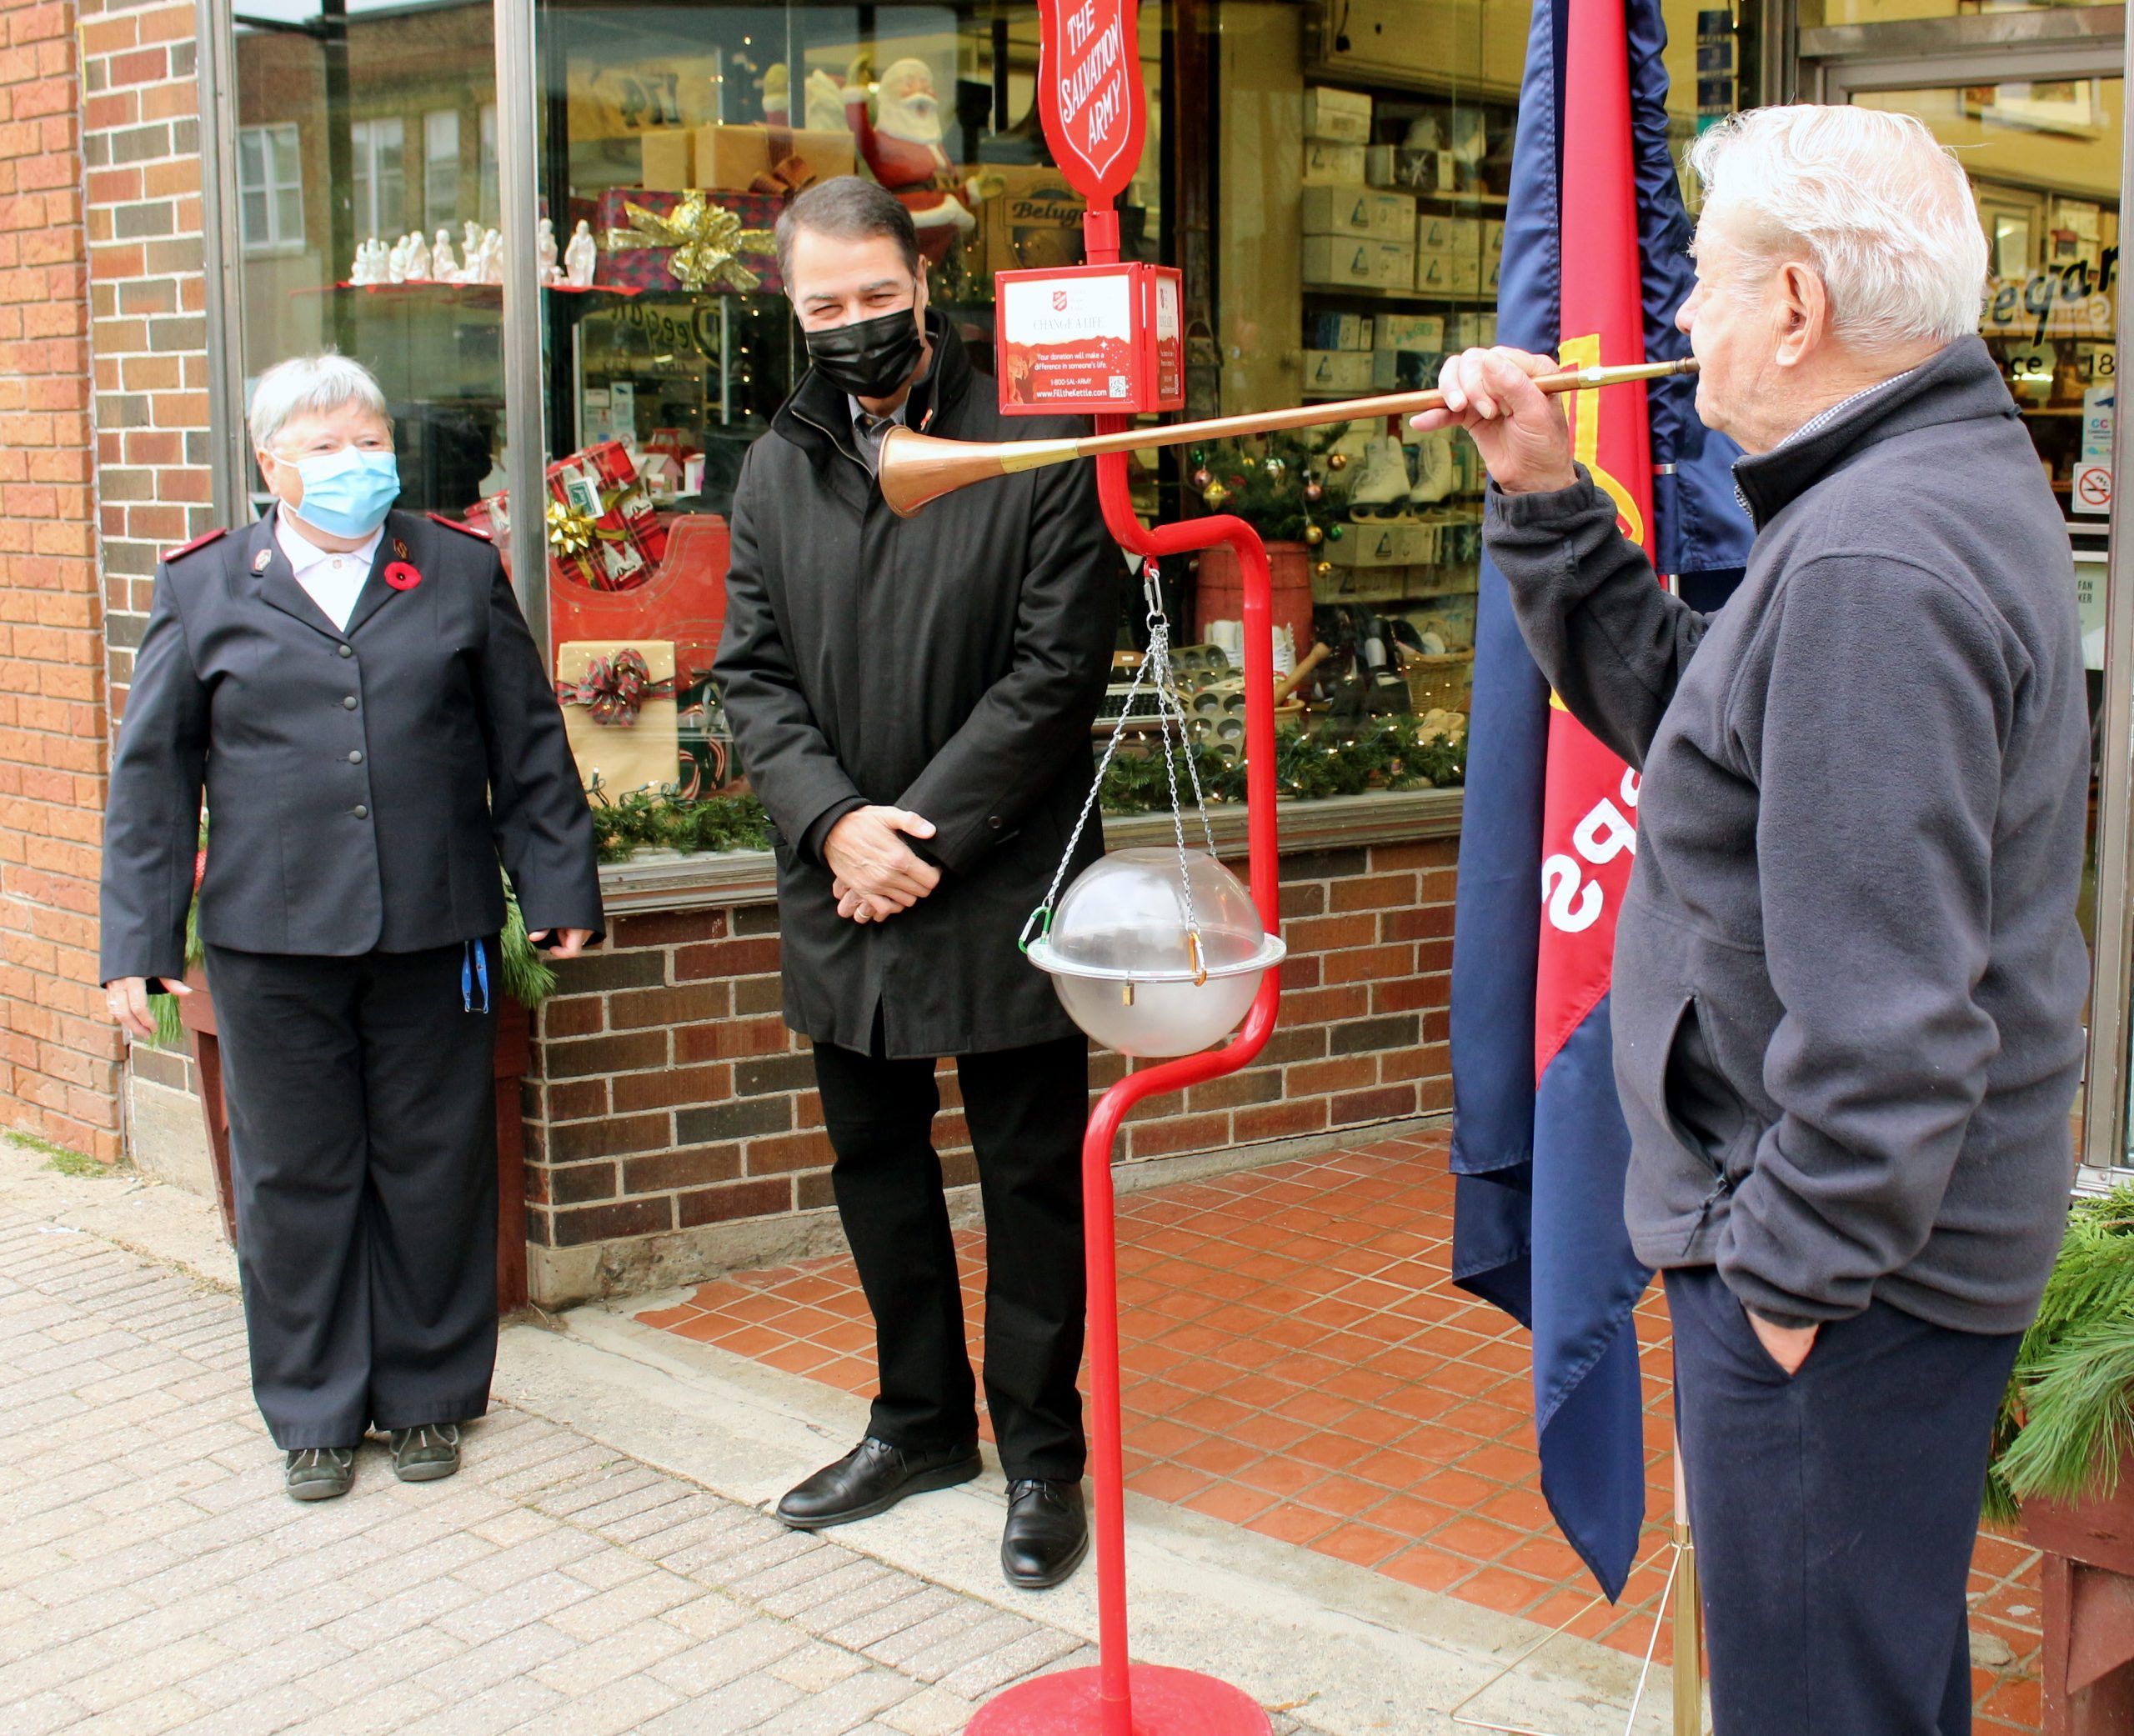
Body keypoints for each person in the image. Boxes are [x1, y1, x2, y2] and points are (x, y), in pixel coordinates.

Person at [1414, 106, 2088, 1734]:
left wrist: (1782, 1285)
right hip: (1872, 1273)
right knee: (1864, 1681)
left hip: (1838, 1287)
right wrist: (1541, 492)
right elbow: (1696, 718)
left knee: (1813, 1705)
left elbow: (1888, 1015)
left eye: (1704, 282)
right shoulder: (1899, 485)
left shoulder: (1869, 549)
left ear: (1792, 308)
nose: (1678, 321)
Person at [99, 354, 603, 1502]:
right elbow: (152, 783)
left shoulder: (460, 574)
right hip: (271, 945)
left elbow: (526, 746)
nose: (352, 463)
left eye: (368, 439)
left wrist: (561, 889)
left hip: (436, 928)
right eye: (323, 446)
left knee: (433, 1169)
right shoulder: (206, 586)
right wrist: (136, 939)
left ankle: (428, 1397)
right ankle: (315, 1411)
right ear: (270, 462)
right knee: (295, 1178)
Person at [713, 177, 1119, 1590]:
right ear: (792, 307)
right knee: (877, 1167)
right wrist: (834, 827)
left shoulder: (1033, 437)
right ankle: (919, 1421)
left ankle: (1044, 1453)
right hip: (841, 874)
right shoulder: (777, 461)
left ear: (920, 280)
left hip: (999, 866)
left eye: (875, 298)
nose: (852, 327)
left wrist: (918, 835)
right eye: (822, 307)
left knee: (1029, 1179)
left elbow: (1059, 672)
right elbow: (748, 676)